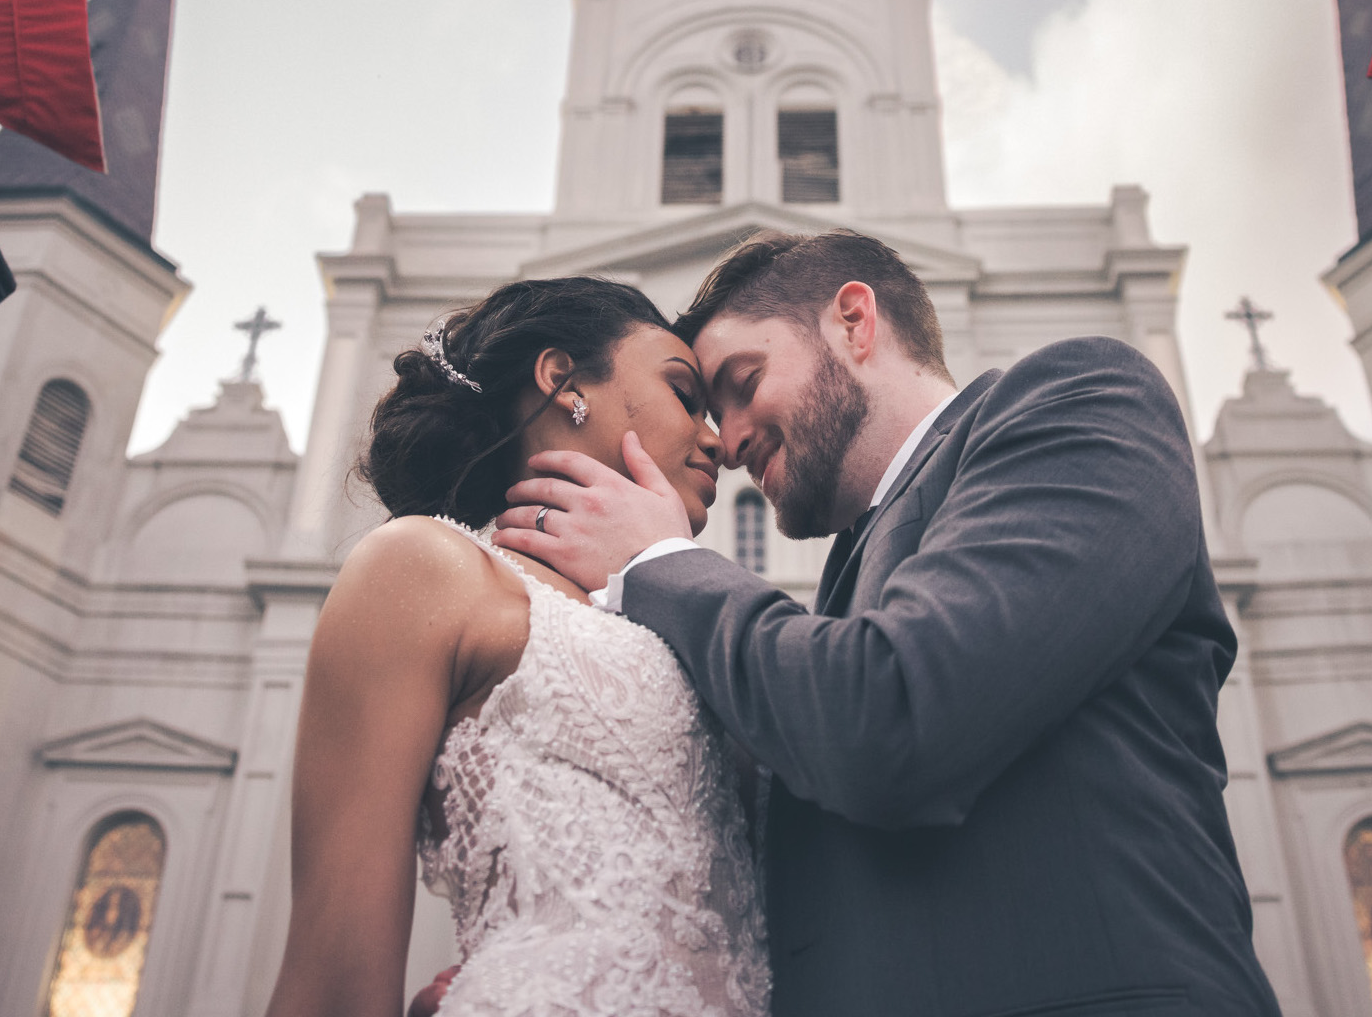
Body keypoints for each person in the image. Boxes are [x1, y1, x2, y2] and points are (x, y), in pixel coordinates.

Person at [495, 230, 1282, 1017]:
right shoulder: (839, 589)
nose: (726, 441)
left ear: (853, 321)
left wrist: (656, 563)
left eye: (744, 380)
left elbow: (893, 718)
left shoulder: (1080, 400)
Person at [264, 277, 769, 1017]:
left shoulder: (675, 613)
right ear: (563, 380)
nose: (716, 439)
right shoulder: (424, 566)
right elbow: (334, 969)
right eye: (684, 394)